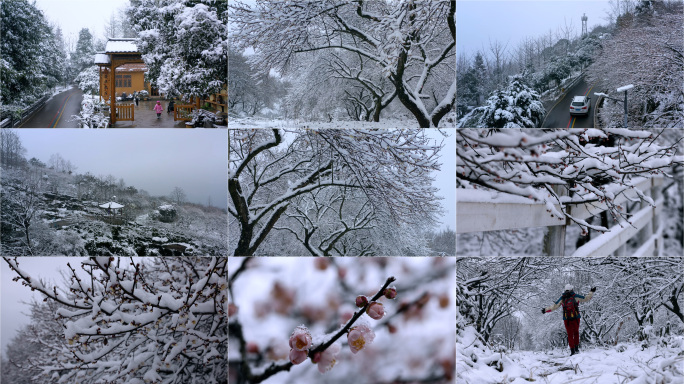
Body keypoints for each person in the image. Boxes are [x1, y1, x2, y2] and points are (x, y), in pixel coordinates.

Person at [542, 284, 596, 355]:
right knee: (576, 333)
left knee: (570, 334)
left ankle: (572, 351)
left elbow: (554, 306)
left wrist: (545, 310)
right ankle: (576, 349)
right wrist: (591, 292)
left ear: (565, 290)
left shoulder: (562, 298)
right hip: (576, 317)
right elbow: (586, 298)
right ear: (572, 289)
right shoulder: (575, 296)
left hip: (566, 319)